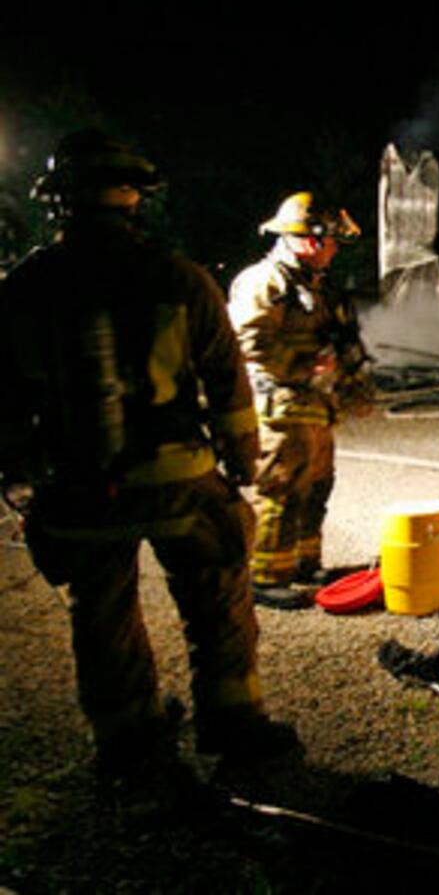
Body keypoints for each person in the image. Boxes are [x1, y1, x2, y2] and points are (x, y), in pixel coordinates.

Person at [0, 131, 298, 788]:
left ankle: (130, 745)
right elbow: (228, 381)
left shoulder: (24, 287)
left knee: (102, 615)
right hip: (178, 480)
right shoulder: (178, 277)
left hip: (80, 488)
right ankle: (234, 724)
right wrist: (242, 464)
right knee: (218, 596)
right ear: (135, 196)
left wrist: (19, 477)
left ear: (58, 202)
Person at [228, 192, 373, 609]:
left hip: (313, 408)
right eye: (329, 241)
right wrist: (308, 365)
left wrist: (348, 373)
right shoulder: (263, 282)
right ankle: (266, 576)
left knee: (316, 486)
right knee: (279, 487)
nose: (333, 250)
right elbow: (250, 341)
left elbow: (333, 341)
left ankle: (306, 563)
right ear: (308, 239)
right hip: (279, 408)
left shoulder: (314, 286)